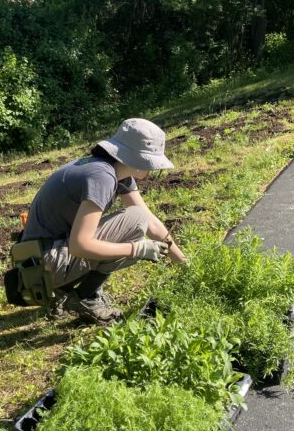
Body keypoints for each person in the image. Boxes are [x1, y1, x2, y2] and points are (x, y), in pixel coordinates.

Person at [21, 118, 187, 324]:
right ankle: (84, 298)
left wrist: (183, 263)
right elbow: (80, 245)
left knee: (138, 218)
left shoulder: (113, 170)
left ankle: (65, 292)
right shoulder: (102, 177)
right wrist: (137, 249)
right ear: (139, 159)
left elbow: (150, 222)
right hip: (43, 264)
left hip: (36, 257)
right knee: (135, 222)